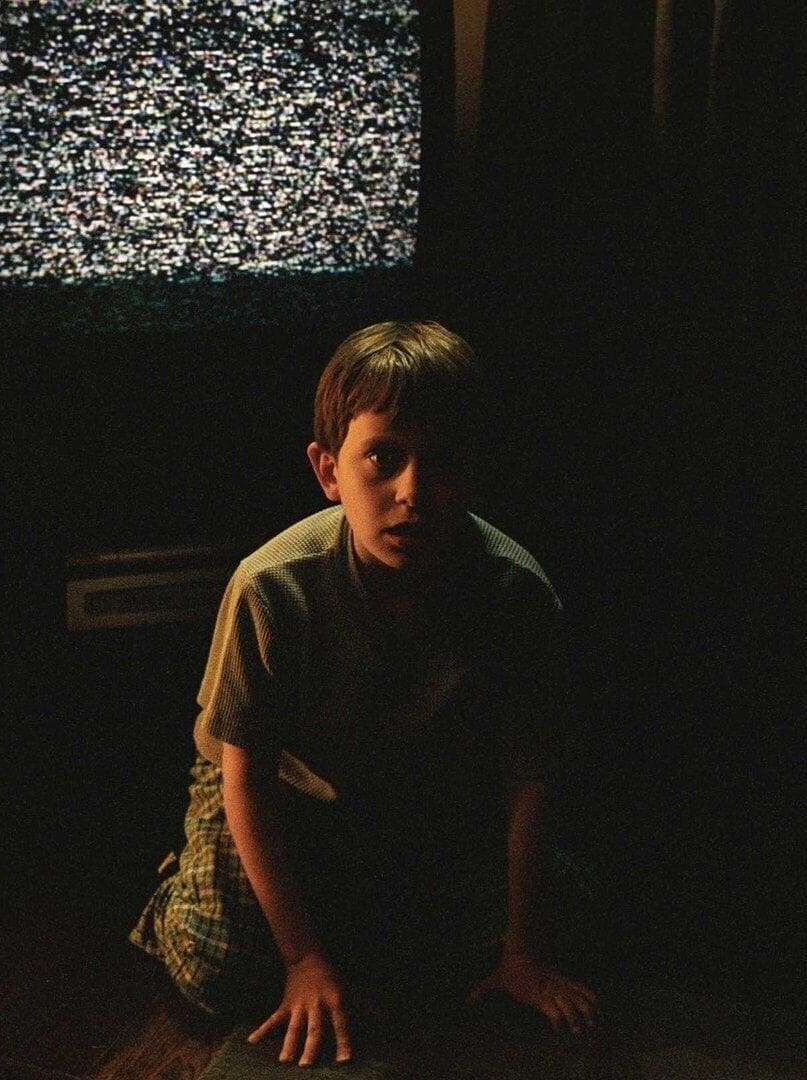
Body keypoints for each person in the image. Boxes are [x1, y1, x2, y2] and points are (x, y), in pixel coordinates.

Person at [129, 320, 600, 1067]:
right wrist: (302, 961)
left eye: (443, 462)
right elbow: (246, 779)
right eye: (383, 457)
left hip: (420, 790)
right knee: (218, 968)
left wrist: (523, 953)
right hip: (281, 787)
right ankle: (185, 897)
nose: (413, 493)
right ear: (328, 471)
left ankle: (360, 908)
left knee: (564, 916)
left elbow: (529, 777)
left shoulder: (516, 593)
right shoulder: (273, 586)